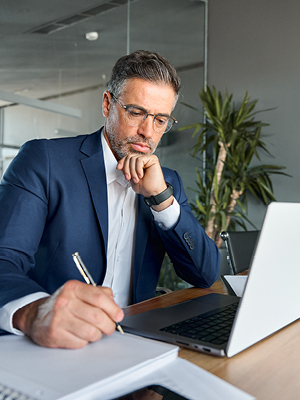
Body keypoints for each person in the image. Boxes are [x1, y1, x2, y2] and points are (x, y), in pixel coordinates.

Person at [0, 50, 220, 349]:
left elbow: (204, 273)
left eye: (160, 120)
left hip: (134, 343)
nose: (147, 131)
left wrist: (161, 199)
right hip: (55, 345)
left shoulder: (167, 181)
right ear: (107, 104)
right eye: (136, 112)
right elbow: (4, 259)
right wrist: (34, 312)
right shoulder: (44, 161)